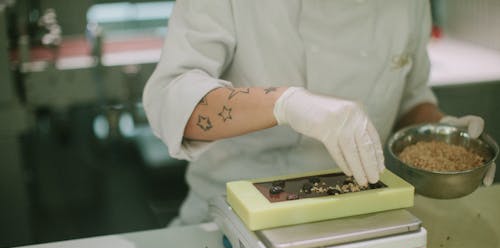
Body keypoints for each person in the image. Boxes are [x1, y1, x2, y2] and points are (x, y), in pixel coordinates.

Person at [143, 0, 494, 226]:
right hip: (233, 219)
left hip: (370, 220)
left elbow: (409, 100)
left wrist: (439, 131)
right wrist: (286, 104)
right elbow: (170, 100)